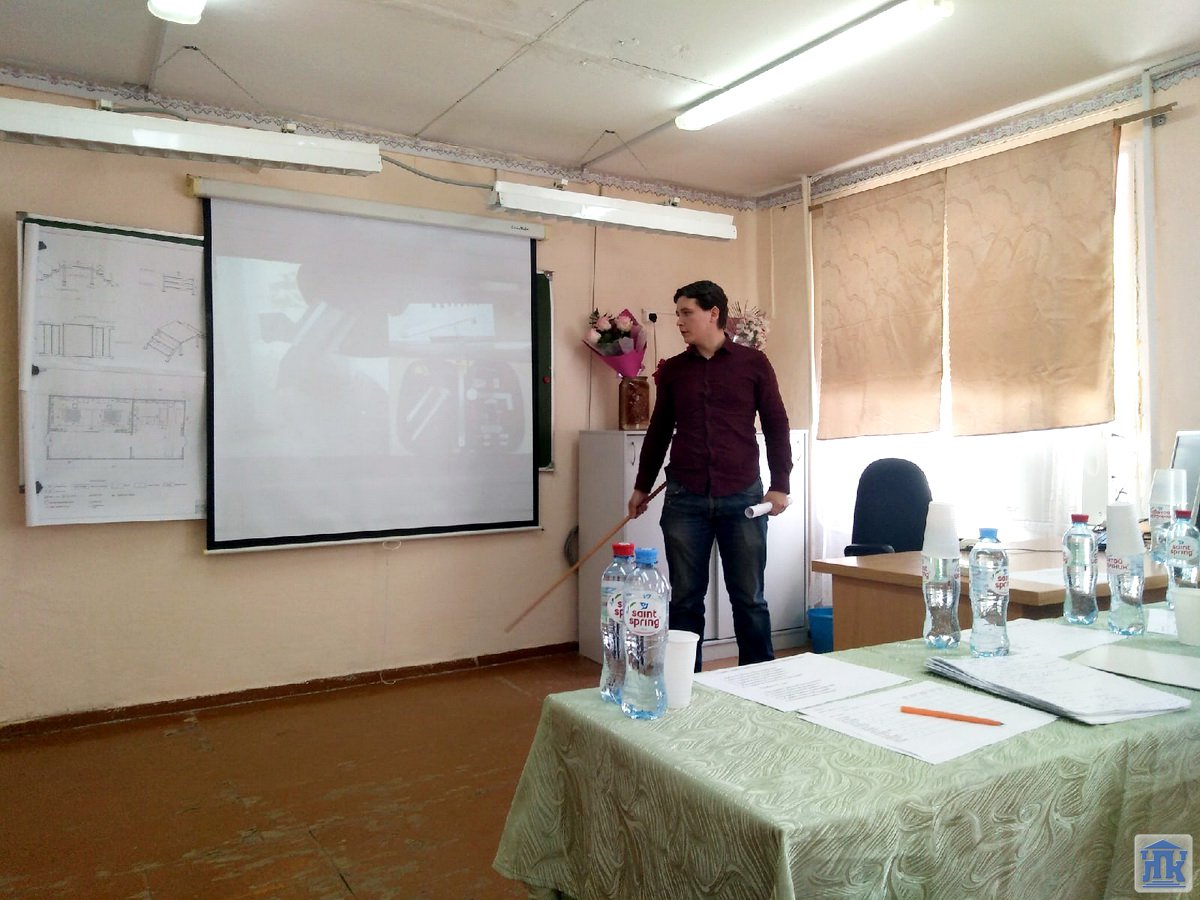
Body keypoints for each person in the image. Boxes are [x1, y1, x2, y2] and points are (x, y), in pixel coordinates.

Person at [627, 280, 791, 671]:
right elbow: (659, 432)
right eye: (678, 314)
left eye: (687, 313)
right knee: (685, 600)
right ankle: (686, 684)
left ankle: (761, 684)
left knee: (749, 599)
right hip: (685, 499)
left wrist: (780, 485)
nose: (679, 322)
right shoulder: (674, 371)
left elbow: (776, 424)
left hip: (744, 497)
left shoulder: (753, 363)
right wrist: (641, 487)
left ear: (713, 313)